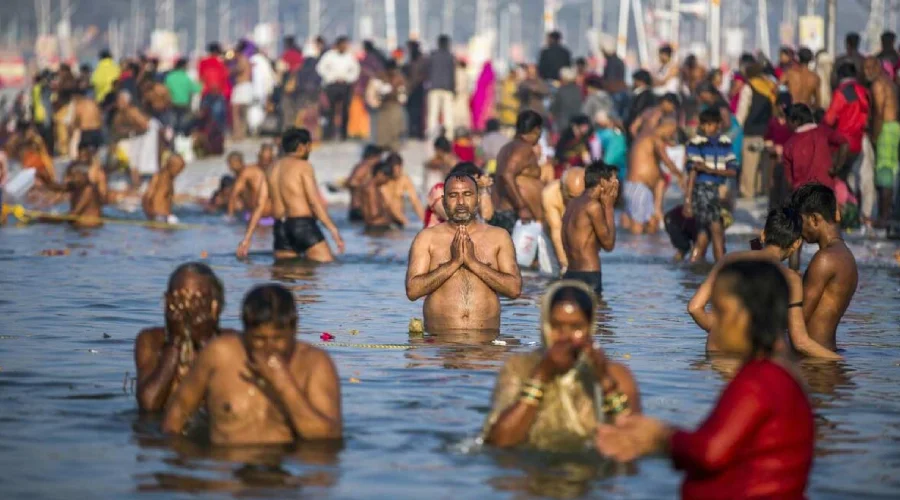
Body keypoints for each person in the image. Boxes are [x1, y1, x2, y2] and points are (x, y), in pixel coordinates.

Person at [597, 260, 815, 499]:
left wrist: (660, 436)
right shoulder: (782, 372)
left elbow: (709, 451)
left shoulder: (758, 380)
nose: (714, 323)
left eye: (720, 312)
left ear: (745, 314)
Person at [162, 283, 342, 444]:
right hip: (224, 471)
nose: (269, 348)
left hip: (285, 471)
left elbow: (328, 437)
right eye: (259, 339)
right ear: (245, 332)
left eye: (278, 339)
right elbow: (177, 412)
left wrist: (284, 383)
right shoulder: (219, 353)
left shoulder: (316, 364)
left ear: (294, 329)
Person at [483, 281, 640, 451]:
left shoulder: (617, 374)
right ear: (545, 325)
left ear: (590, 327)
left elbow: (636, 442)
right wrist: (541, 375)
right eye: (556, 326)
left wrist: (605, 381)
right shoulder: (520, 368)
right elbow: (498, 442)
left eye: (576, 327)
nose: (566, 336)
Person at [689, 208, 841, 359]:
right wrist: (842, 362)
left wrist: (722, 331)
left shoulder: (728, 260)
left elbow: (694, 308)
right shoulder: (791, 278)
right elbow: (800, 342)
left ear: (763, 234)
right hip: (748, 357)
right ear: (796, 244)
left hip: (714, 352)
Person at [405, 171, 521, 333]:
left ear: (478, 199)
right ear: (444, 202)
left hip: (487, 345)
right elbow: (413, 290)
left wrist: (473, 263)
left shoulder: (499, 236)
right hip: (439, 346)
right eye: (453, 195)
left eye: (467, 194)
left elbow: (514, 289)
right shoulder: (427, 238)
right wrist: (453, 263)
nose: (460, 202)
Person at [134, 263, 232, 412]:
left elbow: (229, 405)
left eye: (197, 300)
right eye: (179, 299)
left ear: (214, 306)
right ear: (167, 302)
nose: (188, 308)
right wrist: (175, 341)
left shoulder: (231, 342)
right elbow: (149, 404)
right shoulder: (151, 340)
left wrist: (205, 342)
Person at [237, 128, 344, 261]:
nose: (310, 150)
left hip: (280, 228)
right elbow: (313, 202)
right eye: (308, 146)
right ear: (301, 146)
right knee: (328, 267)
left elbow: (259, 205)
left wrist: (247, 239)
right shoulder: (304, 166)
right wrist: (333, 230)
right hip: (302, 225)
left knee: (286, 274)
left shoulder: (271, 168)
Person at [792, 184, 859, 351]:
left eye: (801, 221)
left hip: (812, 360)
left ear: (814, 219)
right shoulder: (846, 256)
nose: (799, 229)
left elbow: (798, 318)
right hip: (826, 353)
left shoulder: (824, 259)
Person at [683, 109, 738, 262]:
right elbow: (693, 172)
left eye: (711, 124)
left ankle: (692, 268)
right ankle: (721, 268)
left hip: (718, 191)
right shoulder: (696, 143)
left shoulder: (725, 143)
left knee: (704, 235)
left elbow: (733, 170)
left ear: (718, 125)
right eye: (704, 125)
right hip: (702, 190)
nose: (707, 128)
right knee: (717, 231)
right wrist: (688, 200)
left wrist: (709, 169)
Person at [560, 161, 618, 294]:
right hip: (588, 275)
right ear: (603, 182)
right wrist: (609, 207)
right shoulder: (593, 207)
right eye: (613, 182)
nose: (616, 187)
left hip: (570, 274)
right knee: (596, 314)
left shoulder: (572, 203)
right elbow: (609, 245)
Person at [622, 119, 680, 234]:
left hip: (638, 187)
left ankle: (645, 251)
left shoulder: (646, 139)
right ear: (667, 128)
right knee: (637, 226)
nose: (673, 135)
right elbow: (667, 161)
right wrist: (681, 176)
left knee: (649, 223)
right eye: (672, 132)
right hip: (638, 186)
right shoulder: (655, 138)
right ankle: (635, 251)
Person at [491, 111, 545, 234]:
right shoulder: (524, 148)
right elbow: (506, 174)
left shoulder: (507, 147)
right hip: (514, 214)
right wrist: (521, 207)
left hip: (505, 212)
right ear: (536, 130)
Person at [863, 57, 900, 227]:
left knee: (884, 173)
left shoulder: (878, 85)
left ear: (878, 66)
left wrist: (875, 134)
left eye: (870, 67)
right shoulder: (889, 82)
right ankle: (885, 214)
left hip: (885, 128)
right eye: (865, 68)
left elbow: (878, 111)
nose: (867, 71)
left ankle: (883, 218)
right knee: (889, 171)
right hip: (893, 127)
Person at [783, 104, 847, 193]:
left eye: (787, 121)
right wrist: (837, 167)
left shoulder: (789, 145)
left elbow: (789, 182)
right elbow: (844, 143)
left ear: (796, 121)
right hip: (826, 190)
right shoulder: (824, 131)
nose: (786, 124)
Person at [735, 62, 775, 198]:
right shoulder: (769, 86)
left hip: (751, 132)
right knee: (763, 164)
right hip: (767, 132)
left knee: (750, 164)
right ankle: (762, 190)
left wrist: (737, 127)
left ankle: (748, 191)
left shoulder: (748, 87)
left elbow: (742, 111)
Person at [824, 62, 870, 179]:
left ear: (840, 76)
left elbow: (829, 120)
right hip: (860, 143)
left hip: (842, 146)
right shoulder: (864, 91)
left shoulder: (841, 92)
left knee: (839, 179)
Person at [542, 167, 585, 276]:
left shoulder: (593, 193)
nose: (574, 202)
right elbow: (556, 231)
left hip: (575, 233)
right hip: (550, 234)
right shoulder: (550, 194)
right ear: (563, 188)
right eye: (571, 197)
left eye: (579, 197)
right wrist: (565, 264)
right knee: (552, 275)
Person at [424, 162, 494, 229]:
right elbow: (451, 216)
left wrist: (483, 189)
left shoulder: (474, 194)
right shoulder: (439, 190)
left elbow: (486, 217)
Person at [317, 36, 361, 141]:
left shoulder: (350, 56)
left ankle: (343, 134)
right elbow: (320, 68)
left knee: (345, 110)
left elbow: (356, 70)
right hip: (332, 85)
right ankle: (330, 134)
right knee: (330, 110)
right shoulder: (329, 56)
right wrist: (330, 77)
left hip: (345, 85)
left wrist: (348, 78)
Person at [229, 144, 275, 222]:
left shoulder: (277, 171)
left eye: (269, 159)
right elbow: (234, 194)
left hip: (273, 218)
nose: (266, 163)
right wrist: (230, 216)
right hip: (252, 217)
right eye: (263, 159)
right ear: (258, 157)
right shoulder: (249, 172)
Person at [369, 61, 407, 151]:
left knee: (395, 127)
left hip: (394, 106)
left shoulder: (399, 78)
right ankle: (382, 145)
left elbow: (402, 92)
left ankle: (394, 145)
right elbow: (373, 91)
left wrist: (401, 96)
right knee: (383, 129)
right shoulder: (380, 77)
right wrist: (381, 92)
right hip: (384, 107)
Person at [379, 153, 425, 226]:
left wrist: (425, 222)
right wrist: (406, 222)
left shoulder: (404, 179)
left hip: (400, 220)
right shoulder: (384, 181)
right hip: (387, 220)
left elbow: (415, 201)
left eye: (399, 169)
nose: (397, 173)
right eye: (394, 170)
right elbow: (389, 205)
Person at [426, 35, 457, 139]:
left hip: (434, 87)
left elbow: (428, 72)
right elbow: (452, 75)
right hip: (447, 88)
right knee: (448, 114)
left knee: (433, 113)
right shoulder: (450, 57)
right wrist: (453, 89)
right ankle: (449, 136)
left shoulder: (433, 56)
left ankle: (431, 134)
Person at [359, 160, 404, 231]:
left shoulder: (373, 187)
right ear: (380, 174)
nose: (387, 181)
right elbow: (374, 214)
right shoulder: (371, 189)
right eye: (387, 178)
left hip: (375, 227)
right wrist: (390, 220)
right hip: (376, 228)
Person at [142, 154, 185, 223]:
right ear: (172, 166)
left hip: (166, 217)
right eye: (179, 168)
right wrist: (151, 215)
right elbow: (146, 197)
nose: (180, 172)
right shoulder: (158, 178)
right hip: (157, 216)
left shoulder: (170, 179)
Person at [345, 144, 383, 222]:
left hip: (361, 209)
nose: (380, 159)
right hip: (359, 209)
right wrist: (366, 186)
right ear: (374, 156)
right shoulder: (364, 166)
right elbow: (352, 182)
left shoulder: (368, 167)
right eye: (379, 157)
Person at [164, 58, 202, 135]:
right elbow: (196, 89)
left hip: (172, 104)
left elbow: (165, 90)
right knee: (182, 126)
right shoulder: (186, 78)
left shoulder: (169, 77)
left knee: (172, 125)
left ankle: (172, 141)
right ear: (184, 66)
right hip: (184, 105)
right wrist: (201, 83)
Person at [625, 70, 657, 141]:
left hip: (637, 128)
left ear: (641, 81)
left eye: (635, 80)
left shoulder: (644, 95)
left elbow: (638, 111)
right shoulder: (648, 94)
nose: (633, 83)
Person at [550, 67, 583, 133]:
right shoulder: (578, 91)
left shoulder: (561, 91)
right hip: (577, 124)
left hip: (563, 125)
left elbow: (554, 110)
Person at [470, 61, 496, 132]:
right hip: (486, 100)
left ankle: (479, 128)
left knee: (479, 117)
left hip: (479, 100)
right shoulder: (491, 76)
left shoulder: (482, 75)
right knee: (485, 116)